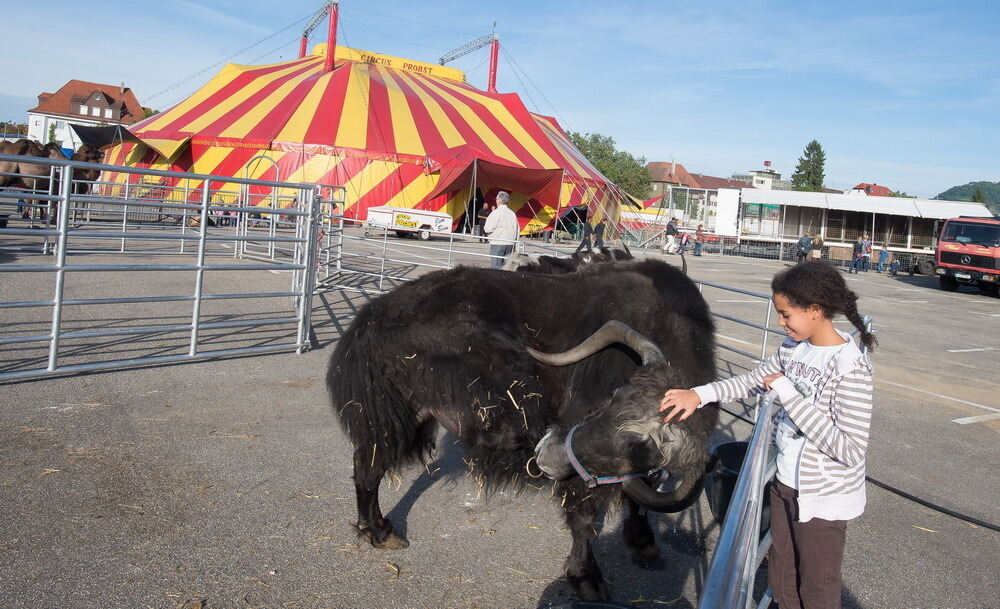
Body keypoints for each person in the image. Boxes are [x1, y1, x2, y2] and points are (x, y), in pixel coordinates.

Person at [660, 260, 875, 609]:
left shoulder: (849, 366)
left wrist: (790, 395)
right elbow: (750, 381)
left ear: (815, 310)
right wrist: (700, 394)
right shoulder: (793, 349)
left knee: (817, 593)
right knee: (781, 583)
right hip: (785, 484)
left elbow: (849, 449)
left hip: (822, 501)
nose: (780, 322)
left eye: (786, 314)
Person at [484, 191, 519, 268]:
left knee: (496, 268)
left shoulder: (496, 212)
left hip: (498, 242)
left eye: (496, 199)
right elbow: (516, 229)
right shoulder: (512, 213)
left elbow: (487, 228)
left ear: (499, 200)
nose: (496, 201)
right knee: (506, 268)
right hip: (510, 244)